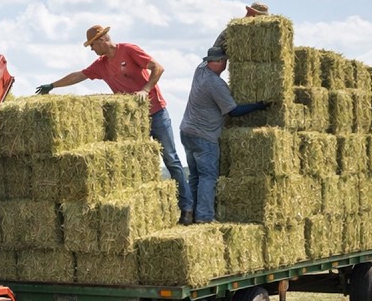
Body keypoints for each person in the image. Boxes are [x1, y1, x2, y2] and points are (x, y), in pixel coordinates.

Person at [35, 24, 191, 224]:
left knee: (171, 159)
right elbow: (79, 75)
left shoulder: (129, 50)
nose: (92, 50)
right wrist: (53, 85)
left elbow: (158, 68)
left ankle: (186, 207)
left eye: (92, 45)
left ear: (102, 40)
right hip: (131, 122)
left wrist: (145, 90)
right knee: (136, 163)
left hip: (156, 113)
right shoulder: (100, 64)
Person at [179, 47, 269, 224]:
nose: (227, 65)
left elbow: (217, 43)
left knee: (195, 176)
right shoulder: (215, 84)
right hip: (204, 136)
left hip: (186, 131)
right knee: (208, 176)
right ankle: (204, 217)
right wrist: (260, 105)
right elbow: (234, 111)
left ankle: (189, 212)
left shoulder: (200, 70)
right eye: (225, 61)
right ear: (220, 62)